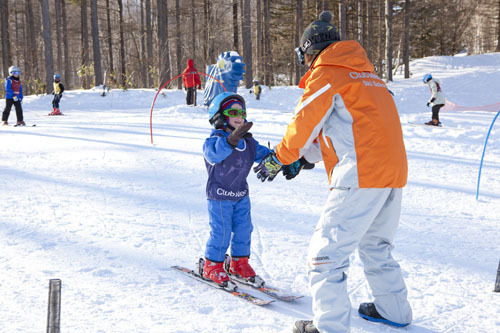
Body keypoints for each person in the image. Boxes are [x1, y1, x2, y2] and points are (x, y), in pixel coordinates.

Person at [254, 11, 412, 333]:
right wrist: (303, 159)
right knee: (375, 246)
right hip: (390, 173)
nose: (306, 63)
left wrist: (280, 157)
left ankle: (329, 326)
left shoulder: (327, 74)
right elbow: (345, 129)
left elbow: (303, 125)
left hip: (361, 173)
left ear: (309, 51)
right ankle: (393, 310)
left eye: (304, 56)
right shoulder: (368, 77)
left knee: (325, 255)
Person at [202, 92, 272, 288]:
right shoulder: (214, 140)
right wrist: (231, 139)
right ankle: (212, 265)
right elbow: (214, 154)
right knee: (221, 231)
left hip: (241, 195)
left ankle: (238, 264)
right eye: (233, 112)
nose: (239, 115)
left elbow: (267, 155)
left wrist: (290, 158)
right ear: (220, 116)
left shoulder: (248, 143)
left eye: (242, 112)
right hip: (220, 196)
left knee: (243, 230)